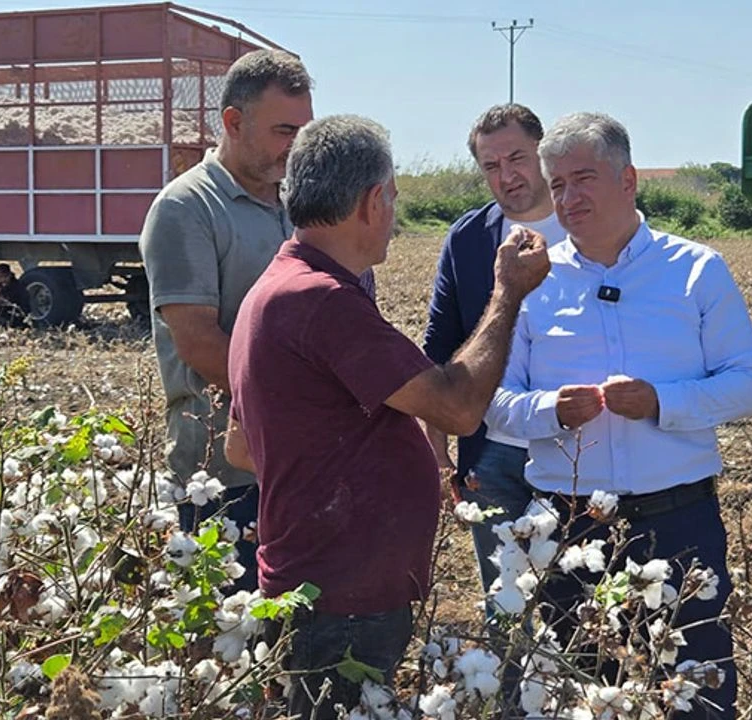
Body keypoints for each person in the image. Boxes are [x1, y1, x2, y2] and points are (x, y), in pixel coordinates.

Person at [223, 114, 550, 720]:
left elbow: (241, 447)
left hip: (318, 582)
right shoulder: (319, 300)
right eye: (394, 197)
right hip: (340, 597)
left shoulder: (279, 285)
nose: (395, 215)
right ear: (374, 200)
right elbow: (456, 405)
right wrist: (507, 295)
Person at [486, 112, 752, 719]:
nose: (569, 197)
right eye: (557, 184)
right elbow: (495, 405)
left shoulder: (696, 269)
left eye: (583, 178)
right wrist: (550, 411)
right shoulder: (532, 282)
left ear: (629, 179)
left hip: (680, 517)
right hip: (569, 527)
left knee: (699, 691)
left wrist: (663, 402)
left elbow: (748, 386)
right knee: (576, 693)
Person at [138, 49, 313, 591]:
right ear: (233, 123)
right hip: (219, 477)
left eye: (303, 131)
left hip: (292, 464)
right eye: (285, 130)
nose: (297, 146)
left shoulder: (296, 205)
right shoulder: (187, 208)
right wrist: (292, 416)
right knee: (224, 632)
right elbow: (198, 341)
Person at [423, 103, 568, 598]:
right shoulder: (468, 239)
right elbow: (440, 345)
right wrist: (438, 449)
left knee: (578, 603)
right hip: (491, 452)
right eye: (491, 166)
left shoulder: (588, 227)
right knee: (506, 604)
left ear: (543, 154)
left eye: (517, 158)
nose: (506, 176)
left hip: (580, 450)